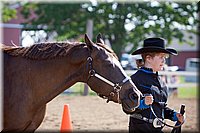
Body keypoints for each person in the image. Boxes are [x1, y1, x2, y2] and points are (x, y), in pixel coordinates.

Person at [129, 37, 184, 133]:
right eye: (161, 57)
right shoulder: (135, 79)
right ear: (148, 58)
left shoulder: (161, 82)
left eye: (164, 57)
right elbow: (127, 106)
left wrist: (174, 115)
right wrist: (142, 103)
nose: (164, 61)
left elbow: (160, 108)